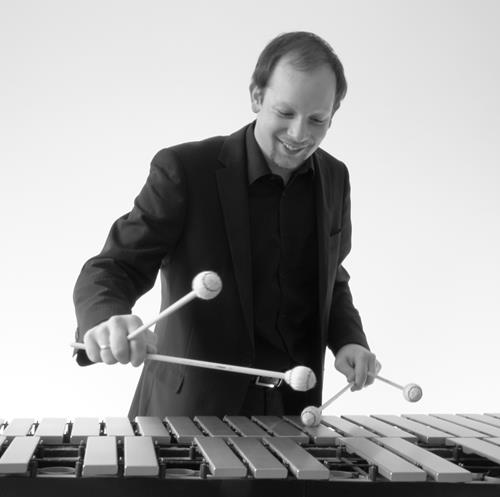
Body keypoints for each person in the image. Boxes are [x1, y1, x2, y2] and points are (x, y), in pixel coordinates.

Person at [73, 31, 378, 418]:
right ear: (256, 97)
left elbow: (331, 276)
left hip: (294, 409)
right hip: (189, 412)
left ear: (333, 114)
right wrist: (106, 318)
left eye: (317, 119)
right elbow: (116, 266)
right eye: (285, 113)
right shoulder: (186, 170)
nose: (299, 134)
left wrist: (349, 339)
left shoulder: (334, 177)